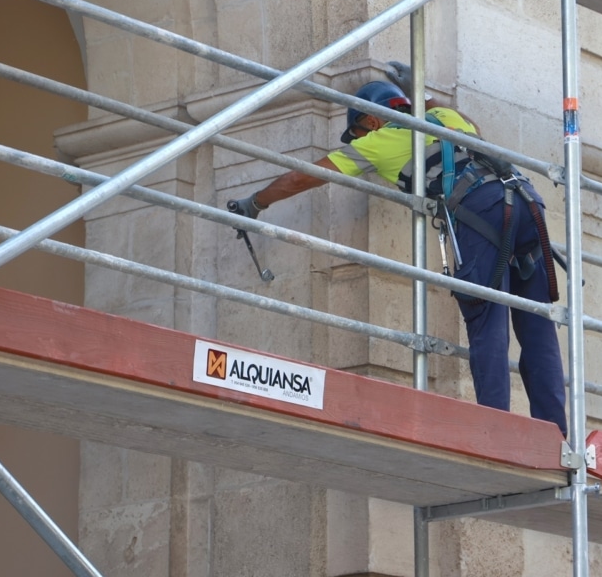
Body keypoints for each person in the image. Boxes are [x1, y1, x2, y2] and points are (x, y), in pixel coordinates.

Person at [227, 69, 568, 437]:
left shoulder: (379, 141)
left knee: (487, 323)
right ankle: (556, 435)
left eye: (357, 131)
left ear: (371, 119)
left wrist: (256, 202)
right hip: (527, 204)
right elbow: (467, 123)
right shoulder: (441, 117)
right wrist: (418, 91)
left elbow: (305, 175)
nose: (357, 141)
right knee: (537, 326)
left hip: (481, 213)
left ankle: (495, 433)